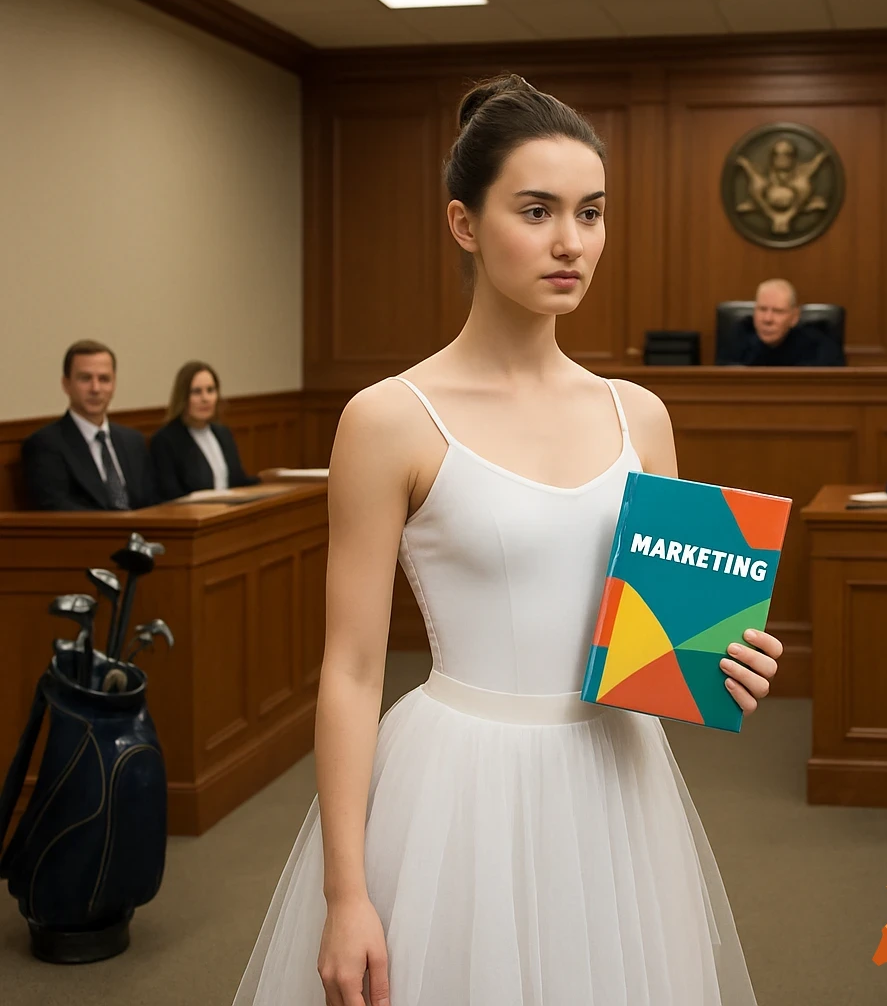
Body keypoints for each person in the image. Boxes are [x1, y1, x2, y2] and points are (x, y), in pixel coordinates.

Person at [232, 75, 783, 1006]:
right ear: (464, 223)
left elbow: (663, 644)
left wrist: (722, 660)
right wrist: (346, 890)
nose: (572, 242)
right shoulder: (388, 419)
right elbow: (353, 669)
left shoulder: (641, 415)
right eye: (538, 210)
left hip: (616, 783)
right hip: (459, 789)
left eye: (592, 213)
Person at [21, 339, 157, 511]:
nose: (95, 388)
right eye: (85, 378)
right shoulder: (45, 444)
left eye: (104, 379)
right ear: (66, 384)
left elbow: (152, 502)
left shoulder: (133, 441)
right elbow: (56, 508)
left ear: (114, 384)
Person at [148, 361, 260, 500]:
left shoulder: (223, 433)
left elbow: (238, 482)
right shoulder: (165, 441)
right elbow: (171, 497)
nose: (205, 398)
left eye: (210, 390)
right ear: (183, 397)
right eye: (196, 392)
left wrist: (269, 482)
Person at [728, 279, 845, 366]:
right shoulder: (737, 341)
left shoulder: (819, 347)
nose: (767, 319)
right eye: (762, 309)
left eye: (778, 311)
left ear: (794, 317)